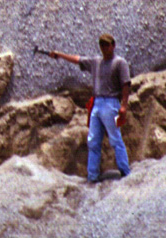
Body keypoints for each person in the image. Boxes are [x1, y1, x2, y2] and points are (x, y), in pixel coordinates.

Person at [49, 34, 131, 182]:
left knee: (115, 139)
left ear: (113, 45)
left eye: (107, 45)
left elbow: (126, 84)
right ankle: (92, 176)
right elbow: (77, 59)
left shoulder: (120, 63)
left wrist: (124, 106)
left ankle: (125, 172)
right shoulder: (95, 62)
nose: (104, 48)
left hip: (111, 102)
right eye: (102, 45)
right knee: (93, 141)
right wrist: (59, 55)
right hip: (97, 103)